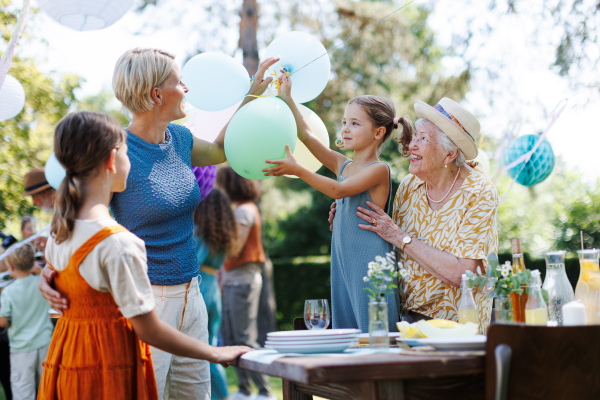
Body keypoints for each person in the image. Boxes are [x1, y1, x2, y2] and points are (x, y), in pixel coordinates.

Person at [38, 49, 278, 399]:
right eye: (178, 82)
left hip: (192, 296)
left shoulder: (179, 140)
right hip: (145, 300)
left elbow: (223, 149)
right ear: (156, 94)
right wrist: (52, 272)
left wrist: (252, 93)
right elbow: (80, 219)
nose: (186, 88)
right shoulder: (116, 151)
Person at [332, 98, 499, 333]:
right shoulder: (410, 186)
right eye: (415, 136)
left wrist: (402, 237)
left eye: (423, 139)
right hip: (406, 324)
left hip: (457, 328)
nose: (411, 145)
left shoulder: (479, 192)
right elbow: (383, 236)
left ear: (449, 155)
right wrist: (346, 210)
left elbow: (463, 274)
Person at [263, 73, 413, 333]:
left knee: (373, 332)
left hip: (370, 265)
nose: (345, 128)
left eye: (355, 123)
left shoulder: (380, 170)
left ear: (379, 132)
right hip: (343, 262)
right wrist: (288, 98)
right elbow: (308, 137)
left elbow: (338, 190)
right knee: (347, 331)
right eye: (345, 122)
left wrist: (298, 170)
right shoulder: (344, 164)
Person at [217, 167, 274, 400]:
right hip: (232, 281)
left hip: (243, 282)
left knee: (244, 337)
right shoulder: (239, 210)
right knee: (231, 337)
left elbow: (235, 248)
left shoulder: (244, 211)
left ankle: (264, 391)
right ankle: (244, 389)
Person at [193, 188, 238, 400]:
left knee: (201, 348)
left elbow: (192, 261)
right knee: (211, 344)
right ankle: (221, 395)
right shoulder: (221, 233)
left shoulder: (199, 232)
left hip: (199, 287)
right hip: (213, 289)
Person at [0, 243, 53, 400]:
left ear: (10, 266)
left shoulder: (9, 292)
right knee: (47, 387)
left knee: (23, 392)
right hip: (44, 344)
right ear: (32, 263)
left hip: (21, 349)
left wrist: (11, 322)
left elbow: (2, 322)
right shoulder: (41, 282)